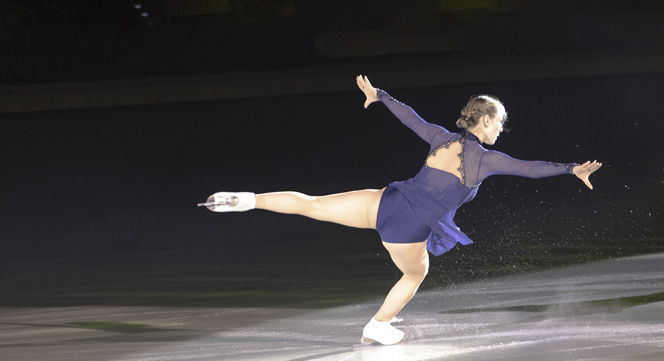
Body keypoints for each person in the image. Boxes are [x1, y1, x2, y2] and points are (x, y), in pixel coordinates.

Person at [203, 75, 602, 345]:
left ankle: (246, 200)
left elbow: (410, 117)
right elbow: (528, 170)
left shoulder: (441, 138)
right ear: (483, 120)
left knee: (312, 205)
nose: (501, 128)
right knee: (417, 271)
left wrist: (380, 96)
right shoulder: (485, 159)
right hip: (408, 228)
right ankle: (378, 326)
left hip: (386, 202)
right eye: (498, 122)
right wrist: (570, 169)